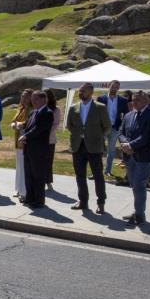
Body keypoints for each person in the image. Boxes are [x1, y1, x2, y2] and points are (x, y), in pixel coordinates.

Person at [66, 83, 112, 213]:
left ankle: (101, 202)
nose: (81, 93)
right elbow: (69, 125)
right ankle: (83, 201)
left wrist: (99, 136)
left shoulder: (100, 107)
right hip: (78, 146)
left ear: (91, 92)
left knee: (98, 176)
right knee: (80, 176)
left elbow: (107, 126)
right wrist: (77, 135)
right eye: (80, 91)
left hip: (94, 147)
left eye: (83, 91)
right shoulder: (73, 108)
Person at [119, 90, 150, 227]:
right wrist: (124, 143)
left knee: (139, 185)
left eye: (138, 100)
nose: (134, 102)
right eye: (133, 100)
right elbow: (121, 131)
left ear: (146, 101)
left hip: (144, 157)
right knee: (133, 185)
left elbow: (147, 136)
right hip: (130, 156)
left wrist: (131, 145)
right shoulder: (129, 115)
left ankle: (140, 215)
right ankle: (137, 211)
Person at [19, 91, 53, 209]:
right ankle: (29, 198)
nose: (33, 102)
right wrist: (20, 125)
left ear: (44, 100)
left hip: (39, 151)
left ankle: (39, 201)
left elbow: (38, 129)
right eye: (32, 100)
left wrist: (25, 136)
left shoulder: (48, 113)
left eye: (35, 99)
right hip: (28, 148)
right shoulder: (33, 112)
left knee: (38, 176)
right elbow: (28, 125)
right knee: (29, 175)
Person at [96, 80, 129, 177]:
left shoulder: (123, 100)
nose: (114, 89)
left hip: (115, 128)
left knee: (111, 151)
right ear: (108, 86)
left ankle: (107, 171)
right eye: (112, 86)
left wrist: (122, 126)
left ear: (118, 88)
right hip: (102, 128)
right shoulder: (101, 98)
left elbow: (126, 115)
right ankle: (96, 172)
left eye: (116, 87)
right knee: (98, 150)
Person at [11, 89, 33, 199]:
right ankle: (18, 189)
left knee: (24, 168)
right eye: (22, 96)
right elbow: (14, 120)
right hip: (18, 141)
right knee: (19, 167)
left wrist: (18, 124)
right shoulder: (21, 108)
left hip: (26, 142)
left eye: (26, 97)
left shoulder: (32, 109)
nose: (23, 99)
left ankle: (24, 192)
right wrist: (13, 124)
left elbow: (28, 122)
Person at [44, 89, 62, 191]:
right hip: (38, 141)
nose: (44, 99)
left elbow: (55, 125)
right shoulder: (38, 108)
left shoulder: (56, 109)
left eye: (46, 97)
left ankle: (48, 182)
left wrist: (44, 134)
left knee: (48, 162)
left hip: (49, 140)